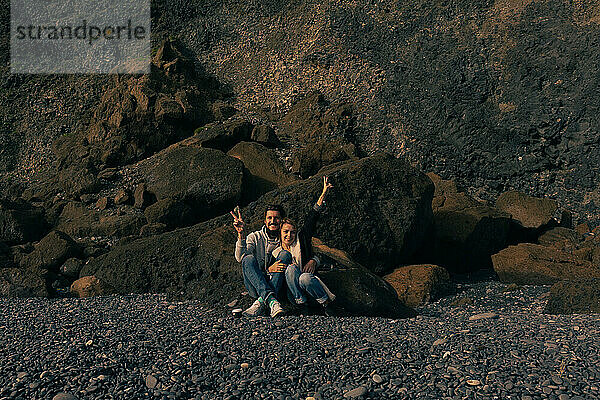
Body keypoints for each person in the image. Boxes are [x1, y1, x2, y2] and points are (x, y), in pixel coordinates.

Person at [272, 176, 338, 315]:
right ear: (280, 232)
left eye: (292, 232)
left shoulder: (300, 241)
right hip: (293, 295)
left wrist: (323, 194)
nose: (288, 235)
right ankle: (303, 305)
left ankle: (326, 304)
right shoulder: (275, 249)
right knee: (290, 269)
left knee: (304, 277)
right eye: (285, 232)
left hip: (312, 288)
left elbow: (312, 218)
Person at [232, 204, 287, 318]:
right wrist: (241, 234)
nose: (273, 221)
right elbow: (240, 258)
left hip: (277, 283)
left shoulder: (286, 238)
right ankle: (272, 301)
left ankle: (261, 303)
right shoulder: (255, 237)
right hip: (255, 285)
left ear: (281, 220)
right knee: (248, 258)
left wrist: (315, 260)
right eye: (269, 218)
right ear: (265, 220)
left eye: (276, 218)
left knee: (285, 254)